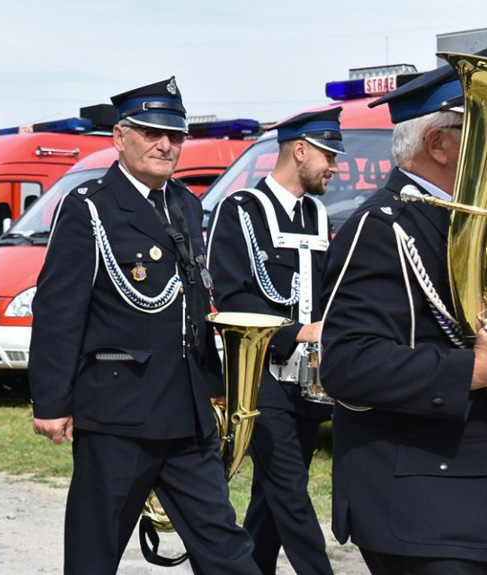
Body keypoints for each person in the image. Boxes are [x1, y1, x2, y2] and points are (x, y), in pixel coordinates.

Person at [28, 77, 259, 574]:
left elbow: (193, 301)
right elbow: (59, 309)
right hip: (118, 412)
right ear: (119, 137)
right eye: (152, 132)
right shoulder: (90, 206)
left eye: (175, 135)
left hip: (186, 412)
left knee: (226, 547)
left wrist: (215, 385)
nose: (165, 145)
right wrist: (51, 401)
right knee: (96, 548)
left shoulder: (185, 203)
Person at [320, 58, 487, 573]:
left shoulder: (467, 222)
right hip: (423, 504)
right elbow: (347, 365)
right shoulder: (381, 226)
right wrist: (473, 371)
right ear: (439, 145)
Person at [205, 109, 341, 574]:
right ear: (299, 150)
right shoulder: (241, 209)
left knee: (273, 495)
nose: (335, 166)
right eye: (329, 154)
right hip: (260, 377)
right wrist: (298, 332)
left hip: (310, 382)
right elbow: (231, 294)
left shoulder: (317, 214)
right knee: (292, 495)